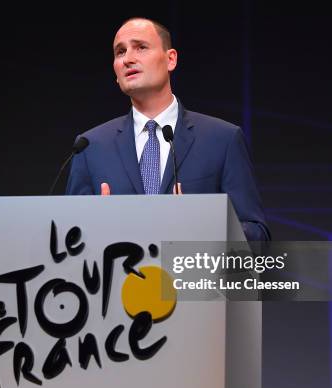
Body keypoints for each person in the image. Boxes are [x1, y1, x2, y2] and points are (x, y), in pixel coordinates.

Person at [66, 17, 270, 241]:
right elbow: (70, 240)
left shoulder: (222, 140)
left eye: (141, 47)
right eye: (120, 52)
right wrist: (95, 228)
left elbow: (258, 237)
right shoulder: (90, 147)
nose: (128, 59)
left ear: (170, 59)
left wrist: (202, 225)